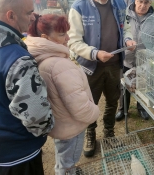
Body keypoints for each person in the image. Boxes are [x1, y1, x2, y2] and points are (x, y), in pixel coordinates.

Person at [0, 0, 54, 175]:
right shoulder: (17, 60)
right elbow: (37, 119)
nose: (33, 17)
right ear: (11, 15)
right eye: (29, 12)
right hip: (18, 157)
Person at [68, 0, 136, 158]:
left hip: (114, 65)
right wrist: (95, 53)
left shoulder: (119, 3)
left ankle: (109, 133)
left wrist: (128, 39)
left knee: (113, 100)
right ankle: (90, 134)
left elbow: (126, 27)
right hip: (91, 67)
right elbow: (73, 41)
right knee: (91, 103)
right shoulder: (79, 7)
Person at [25, 14, 100, 175]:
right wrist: (95, 112)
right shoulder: (58, 65)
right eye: (61, 34)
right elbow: (79, 105)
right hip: (71, 126)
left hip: (60, 122)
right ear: (45, 37)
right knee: (67, 163)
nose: (67, 38)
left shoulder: (42, 55)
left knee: (64, 156)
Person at [116, 0, 154, 121]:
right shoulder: (125, 14)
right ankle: (123, 109)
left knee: (143, 85)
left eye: (146, 2)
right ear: (135, 0)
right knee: (123, 85)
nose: (143, 5)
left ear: (150, 3)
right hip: (126, 58)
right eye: (140, 1)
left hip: (145, 60)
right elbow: (118, 33)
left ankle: (141, 108)